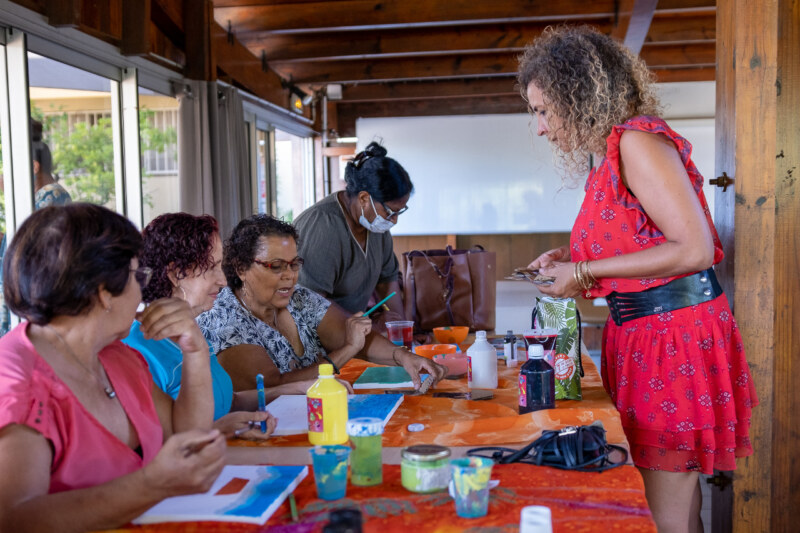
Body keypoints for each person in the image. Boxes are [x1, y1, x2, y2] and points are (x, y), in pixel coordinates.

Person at [518, 26, 756, 533]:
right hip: (642, 338)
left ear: (577, 93)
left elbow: (691, 249)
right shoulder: (609, 152)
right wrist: (568, 257)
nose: (539, 127)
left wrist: (582, 271)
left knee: (660, 516)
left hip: (670, 340)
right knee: (666, 504)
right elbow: (638, 242)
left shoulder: (637, 142)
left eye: (541, 110)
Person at [0, 203, 225, 531]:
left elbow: (186, 436)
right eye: (138, 276)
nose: (142, 291)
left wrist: (195, 350)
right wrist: (152, 484)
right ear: (105, 292)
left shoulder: (117, 357)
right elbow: (15, 519)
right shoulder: (18, 382)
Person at [123, 212, 321, 439]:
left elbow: (227, 400)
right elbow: (156, 441)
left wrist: (295, 389)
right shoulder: (140, 349)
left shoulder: (190, 330)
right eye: (211, 268)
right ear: (176, 274)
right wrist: (221, 430)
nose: (223, 280)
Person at [197, 214, 446, 391]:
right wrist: (347, 350)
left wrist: (403, 357)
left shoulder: (299, 299)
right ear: (241, 268)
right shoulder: (225, 319)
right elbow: (272, 387)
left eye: (294, 264)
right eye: (276, 266)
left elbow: (352, 335)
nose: (290, 275)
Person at [294, 142, 410, 327]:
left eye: (399, 212)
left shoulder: (376, 227)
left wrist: (402, 330)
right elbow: (311, 301)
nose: (394, 220)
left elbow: (387, 283)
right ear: (364, 198)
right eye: (390, 211)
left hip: (354, 331)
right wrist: (362, 326)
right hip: (314, 336)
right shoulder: (323, 225)